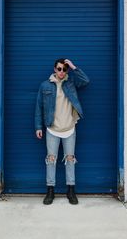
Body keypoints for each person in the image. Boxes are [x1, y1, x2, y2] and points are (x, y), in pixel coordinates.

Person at [35, 58, 90, 205]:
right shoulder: (45, 85)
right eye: (59, 69)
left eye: (64, 69)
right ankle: (50, 191)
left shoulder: (71, 83)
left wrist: (73, 66)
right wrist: (38, 127)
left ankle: (71, 190)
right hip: (52, 128)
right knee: (51, 160)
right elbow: (39, 107)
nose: (61, 72)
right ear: (54, 69)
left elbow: (85, 81)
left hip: (69, 128)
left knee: (70, 159)